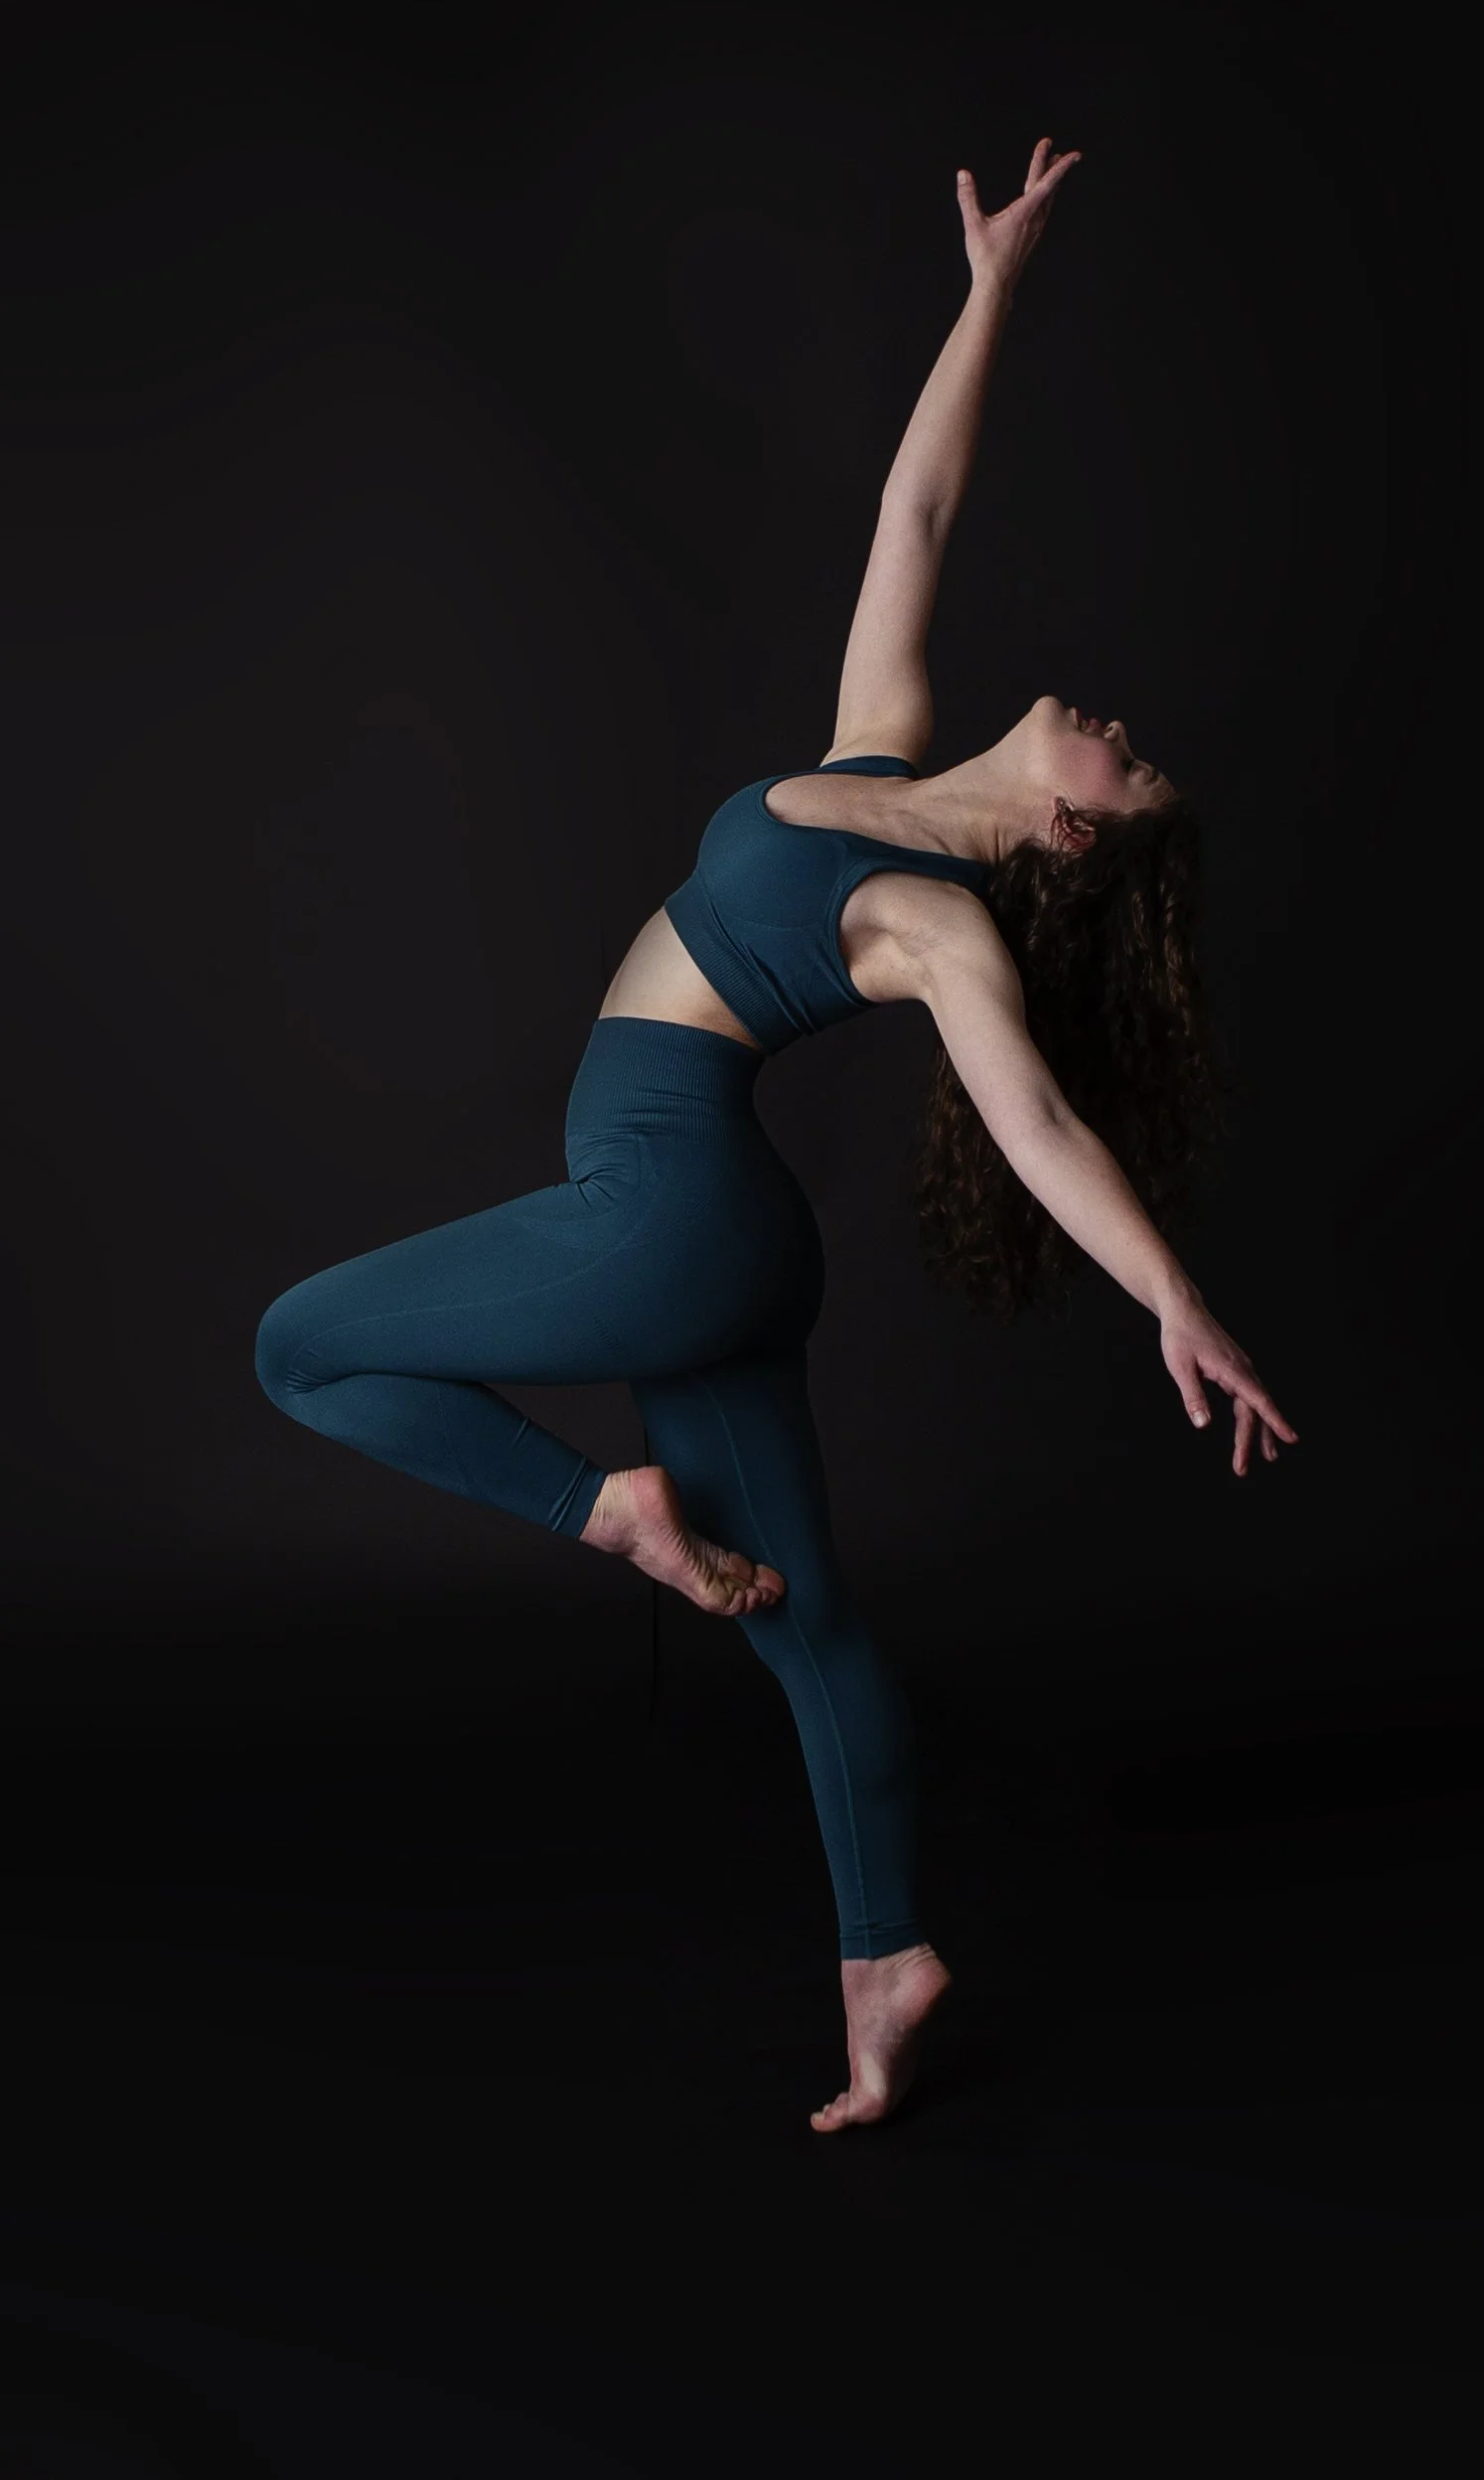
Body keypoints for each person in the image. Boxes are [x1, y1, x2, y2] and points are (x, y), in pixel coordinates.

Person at [255, 136, 1298, 2132]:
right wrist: (995, 283)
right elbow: (916, 510)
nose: (1111, 718)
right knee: (812, 1633)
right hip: (716, 1243)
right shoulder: (872, 763)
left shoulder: (935, 921)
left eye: (1126, 758)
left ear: (1072, 828)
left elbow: (1039, 1118)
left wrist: (1176, 1298)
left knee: (300, 1343)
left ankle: (615, 1516)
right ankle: (884, 1961)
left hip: (661, 1209)